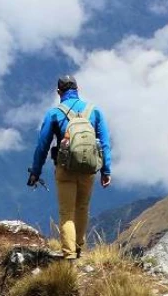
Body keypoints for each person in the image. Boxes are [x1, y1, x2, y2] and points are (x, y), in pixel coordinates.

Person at [28, 75, 111, 261]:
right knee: (82, 207)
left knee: (67, 212)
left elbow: (42, 145)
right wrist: (106, 170)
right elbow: (104, 143)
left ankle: (69, 255)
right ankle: (79, 248)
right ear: (77, 89)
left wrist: (36, 171)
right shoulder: (94, 111)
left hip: (64, 169)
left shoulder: (54, 113)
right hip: (89, 169)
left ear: (59, 92)